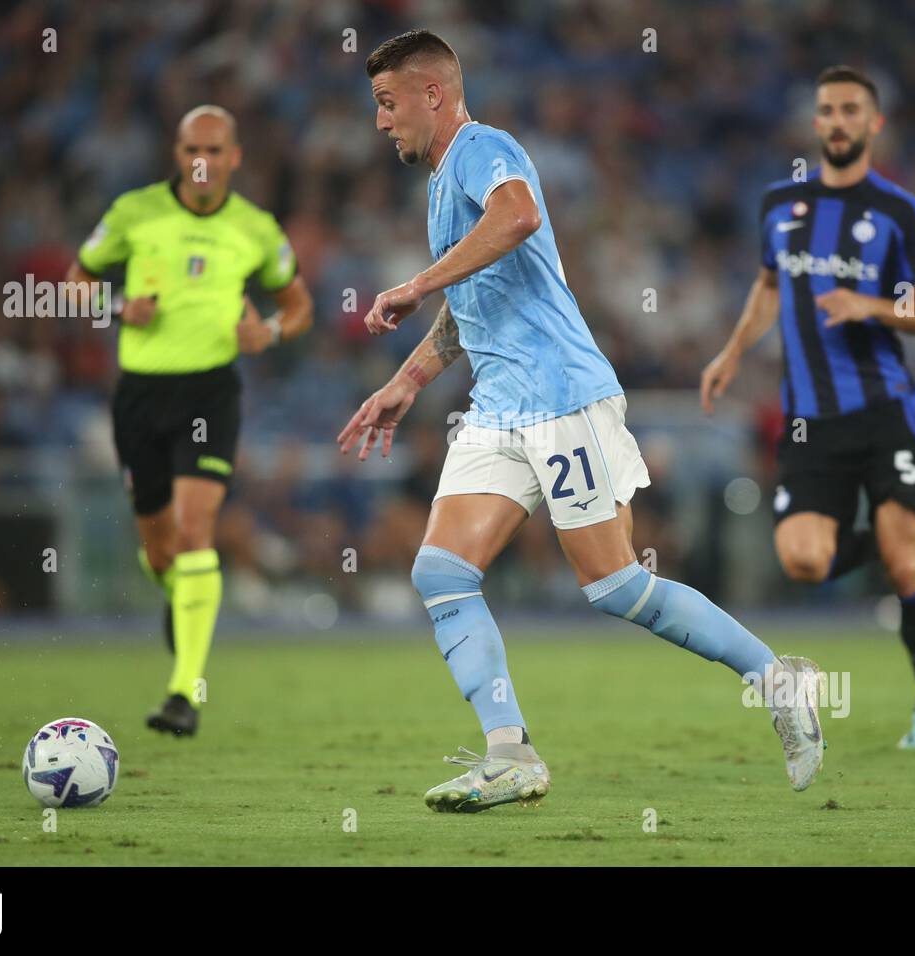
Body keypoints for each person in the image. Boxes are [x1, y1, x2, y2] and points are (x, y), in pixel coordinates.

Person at [338, 31, 823, 812]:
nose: (381, 122)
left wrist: (416, 283)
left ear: (434, 94)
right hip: (499, 405)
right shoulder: (439, 187)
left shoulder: (480, 147)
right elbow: (472, 308)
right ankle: (511, 756)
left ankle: (775, 677)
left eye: (389, 103)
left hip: (562, 394)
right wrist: (406, 381)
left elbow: (520, 217)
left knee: (616, 586)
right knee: (441, 572)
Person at [700, 66, 915, 749]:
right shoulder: (780, 204)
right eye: (827, 111)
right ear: (816, 124)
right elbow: (766, 288)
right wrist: (729, 354)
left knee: (902, 564)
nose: (837, 121)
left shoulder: (901, 212)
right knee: (804, 560)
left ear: (874, 124)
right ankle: (908, 553)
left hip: (885, 410)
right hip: (809, 417)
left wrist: (869, 304)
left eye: (851, 110)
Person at [66, 105, 314, 736]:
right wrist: (119, 305)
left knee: (196, 529)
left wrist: (271, 330)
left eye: (213, 149)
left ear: (234, 157)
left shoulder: (255, 228)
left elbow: (299, 305)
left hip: (211, 392)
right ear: (177, 157)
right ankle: (182, 594)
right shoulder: (134, 213)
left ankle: (184, 693)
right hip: (141, 397)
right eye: (189, 150)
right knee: (160, 549)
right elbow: (73, 284)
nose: (201, 161)